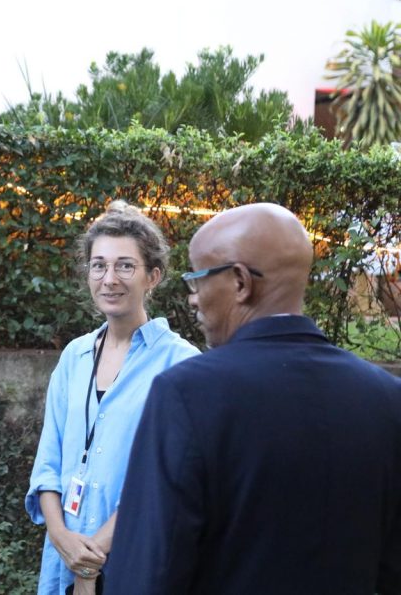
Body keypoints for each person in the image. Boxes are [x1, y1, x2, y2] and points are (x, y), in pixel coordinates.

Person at [106, 203, 401, 595]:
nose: (193, 299)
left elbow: (147, 571)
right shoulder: (386, 398)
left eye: (197, 280)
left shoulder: (185, 394)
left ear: (241, 282)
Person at [25, 201, 199, 595]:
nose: (109, 279)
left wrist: (90, 559)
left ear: (153, 276)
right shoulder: (74, 357)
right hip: (63, 563)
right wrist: (63, 540)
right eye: (99, 265)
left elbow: (172, 482)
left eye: (125, 266)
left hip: (136, 565)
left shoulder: (181, 363)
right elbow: (47, 465)